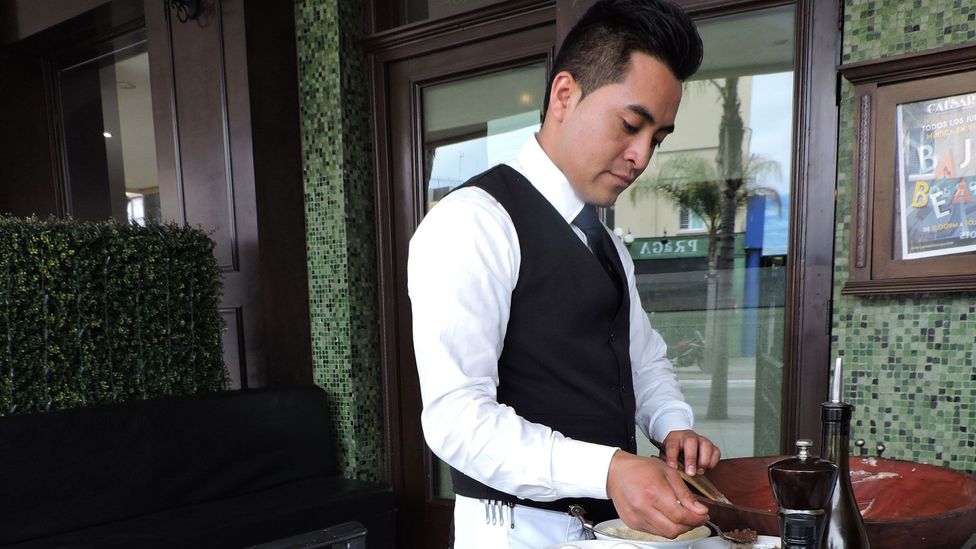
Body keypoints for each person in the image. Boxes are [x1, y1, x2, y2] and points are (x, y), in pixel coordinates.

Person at [407, 1, 721, 547]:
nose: (641, 156)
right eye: (630, 125)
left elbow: (642, 359)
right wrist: (608, 470)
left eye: (657, 138)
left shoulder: (607, 242)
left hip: (605, 531)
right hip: (515, 532)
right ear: (563, 95)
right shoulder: (473, 221)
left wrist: (673, 424)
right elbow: (456, 420)